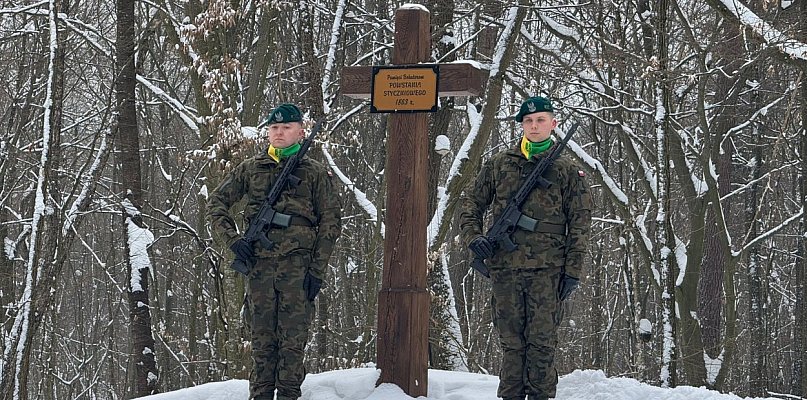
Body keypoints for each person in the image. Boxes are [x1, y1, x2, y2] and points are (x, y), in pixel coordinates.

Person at [459, 96, 592, 400]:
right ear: (521, 125)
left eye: (540, 120)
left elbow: (580, 224)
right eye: (528, 121)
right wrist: (474, 238)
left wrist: (572, 271)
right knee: (511, 345)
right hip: (505, 270)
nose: (534, 126)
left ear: (553, 124)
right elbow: (470, 204)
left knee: (542, 344)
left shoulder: (567, 171)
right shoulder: (500, 164)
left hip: (548, 271)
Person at [206, 103, 342, 400]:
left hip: (298, 268)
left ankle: (289, 395)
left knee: (293, 340)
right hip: (260, 268)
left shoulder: (314, 172)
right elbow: (216, 204)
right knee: (261, 340)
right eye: (274, 128)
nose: (279, 133)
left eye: (286, 128)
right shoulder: (250, 168)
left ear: (300, 132)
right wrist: (233, 241)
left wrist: (317, 270)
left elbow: (331, 222)